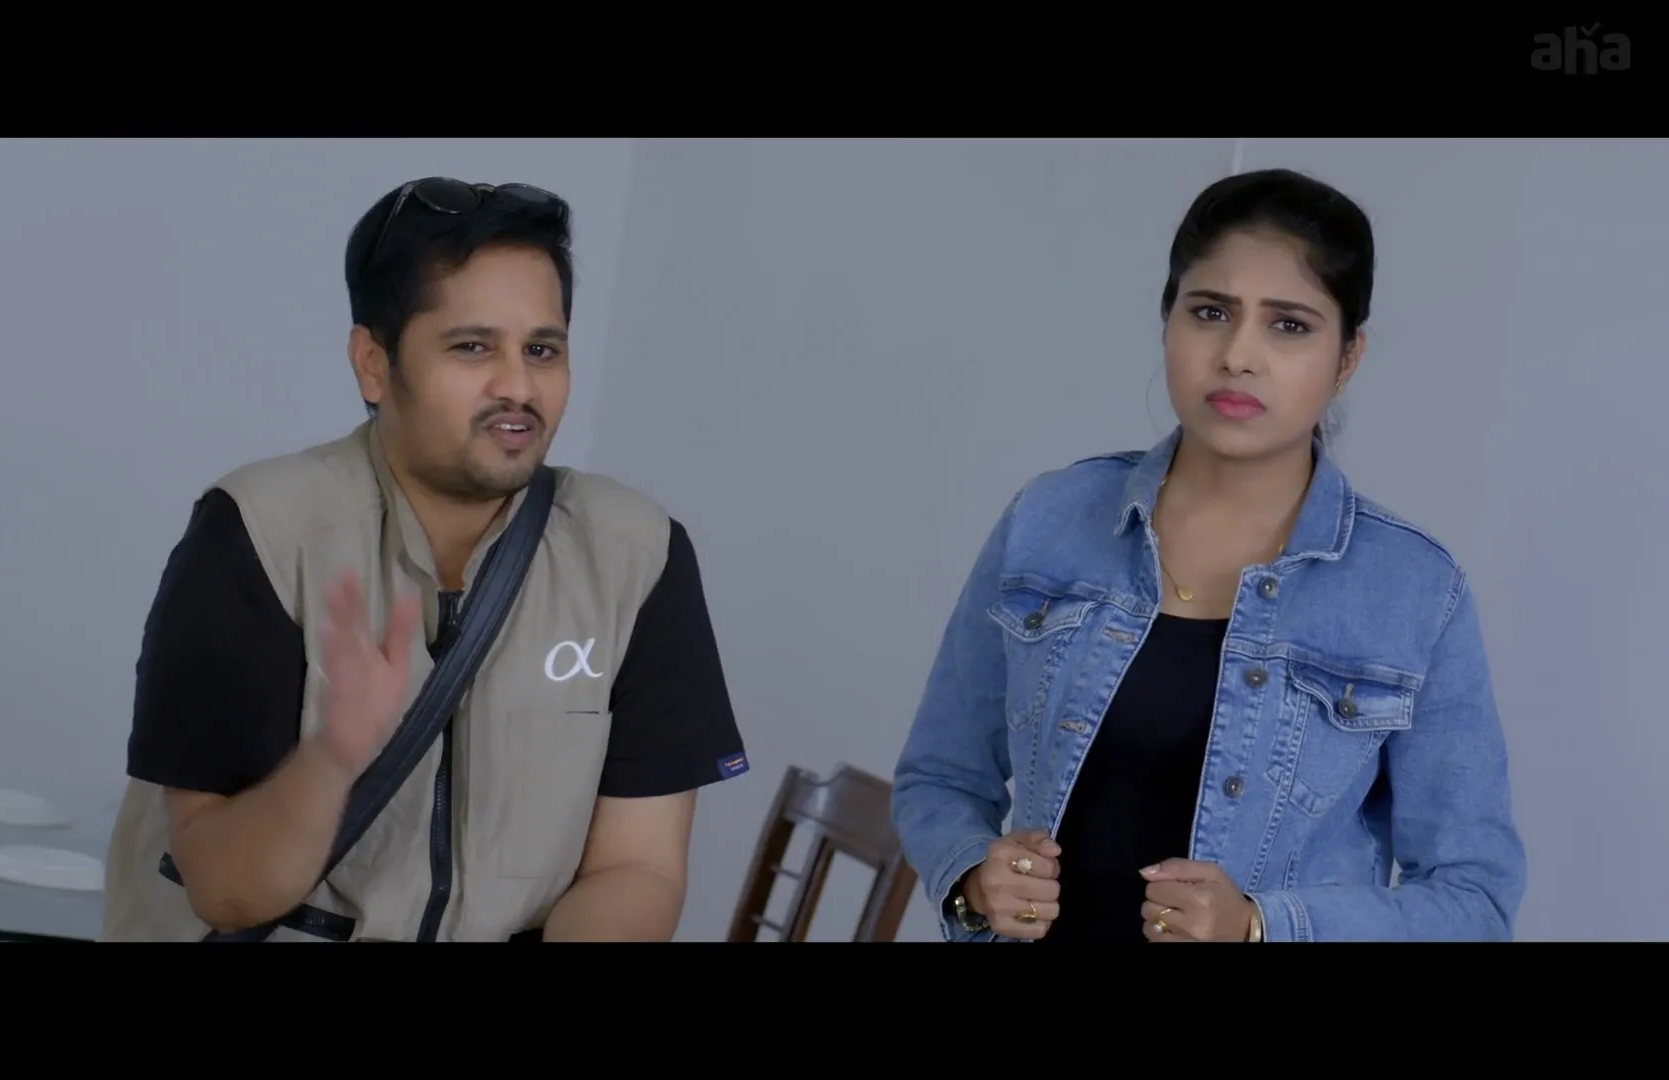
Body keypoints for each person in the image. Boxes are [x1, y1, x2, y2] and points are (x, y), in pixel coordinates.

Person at [102, 177, 750, 942]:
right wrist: (332, 758)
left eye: (542, 350)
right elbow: (225, 892)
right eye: (472, 347)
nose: (518, 386)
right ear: (373, 364)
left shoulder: (636, 558)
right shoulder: (261, 534)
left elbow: (639, 869)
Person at [890, 168, 1526, 943]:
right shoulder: (1050, 519)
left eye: (1289, 325)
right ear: (1169, 321)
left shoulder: (1414, 591)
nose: (1237, 355)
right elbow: (939, 777)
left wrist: (1263, 927)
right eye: (1211, 312)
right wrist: (971, 878)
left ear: (1347, 357)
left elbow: (1473, 902)